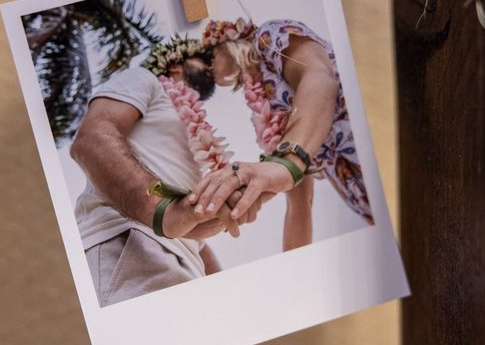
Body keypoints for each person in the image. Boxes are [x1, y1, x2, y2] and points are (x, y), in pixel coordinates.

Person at [70, 36, 258, 307]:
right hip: (131, 243)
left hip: (185, 267)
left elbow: (192, 237)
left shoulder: (196, 130)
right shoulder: (144, 79)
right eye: (203, 60)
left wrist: (223, 295)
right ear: (175, 67)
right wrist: (162, 212)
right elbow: (93, 139)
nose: (209, 67)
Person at [191, 18, 374, 251]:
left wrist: (287, 162)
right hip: (359, 192)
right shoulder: (265, 114)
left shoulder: (267, 37)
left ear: (226, 42)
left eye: (209, 55)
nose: (207, 67)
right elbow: (299, 203)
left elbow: (320, 77)